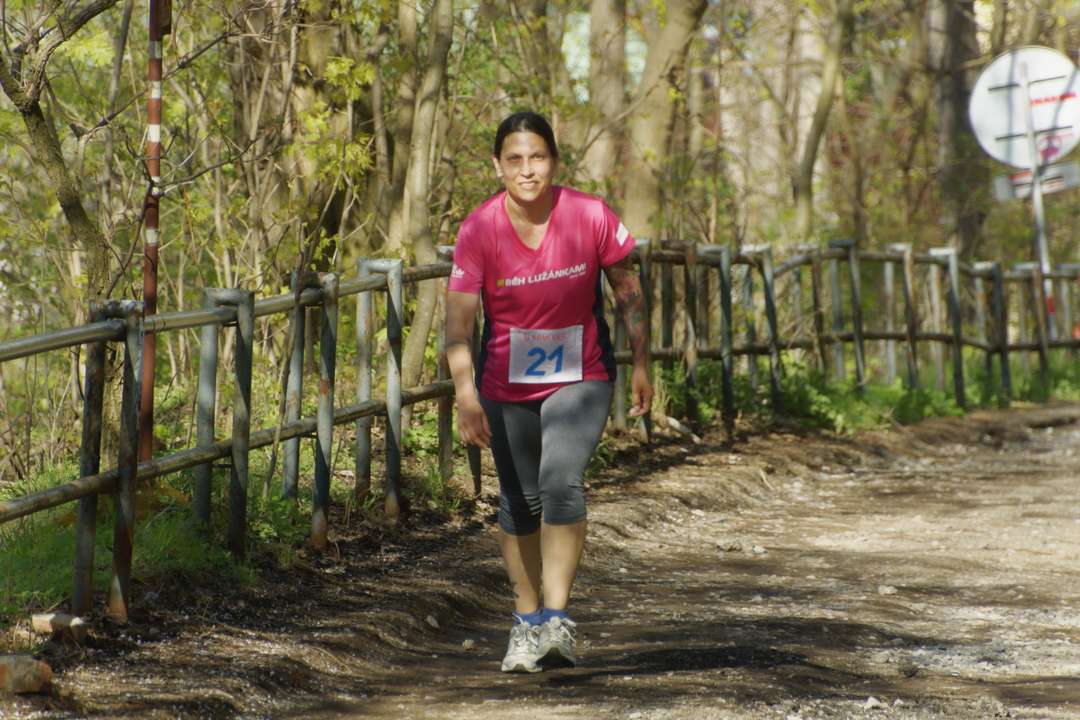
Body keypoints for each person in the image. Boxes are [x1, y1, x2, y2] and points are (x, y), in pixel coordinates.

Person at [445, 111, 652, 673]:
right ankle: (527, 619)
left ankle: (557, 621)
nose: (527, 170)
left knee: (560, 484)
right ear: (497, 165)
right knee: (519, 500)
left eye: (537, 157)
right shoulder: (479, 229)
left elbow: (628, 291)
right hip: (504, 382)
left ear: (555, 161)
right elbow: (458, 329)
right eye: (514, 159)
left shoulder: (589, 215)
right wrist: (466, 395)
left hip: (581, 375)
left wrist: (641, 360)